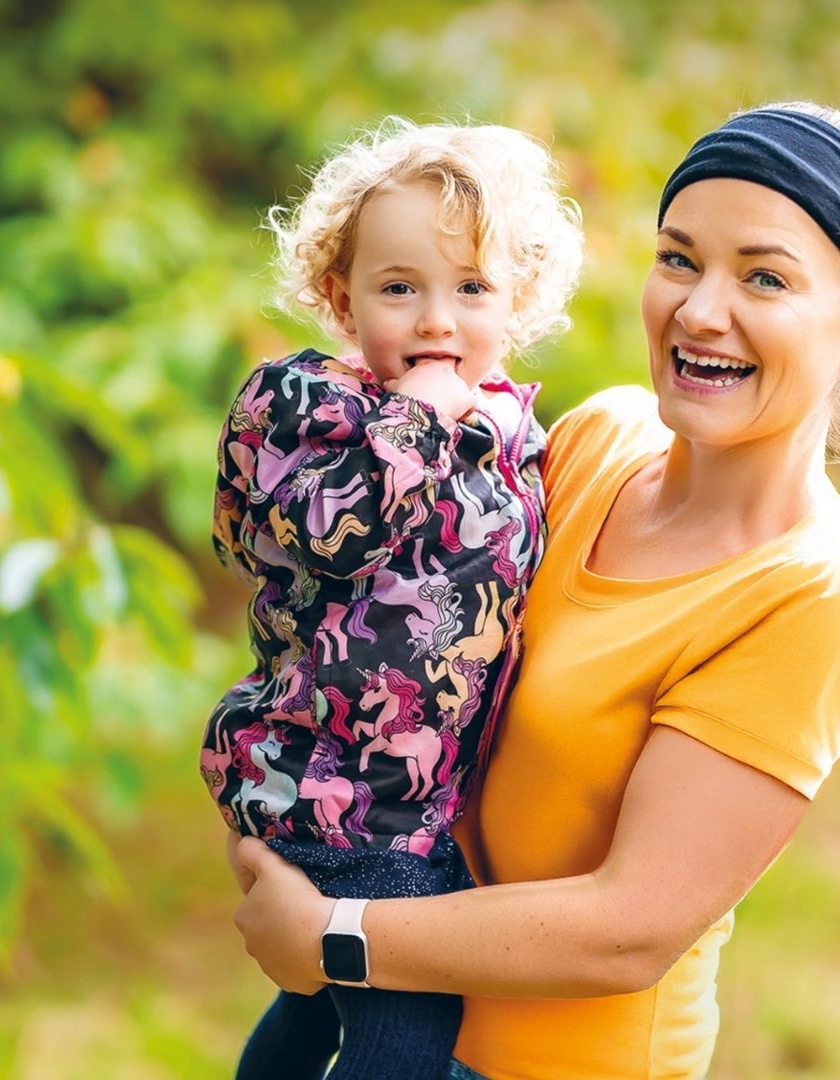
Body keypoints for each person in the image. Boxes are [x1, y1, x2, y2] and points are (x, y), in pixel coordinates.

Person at [228, 102, 840, 1079]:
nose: (698, 310)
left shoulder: (813, 596)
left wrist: (326, 938)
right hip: (382, 1007)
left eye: (764, 277)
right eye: (680, 258)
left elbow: (627, 929)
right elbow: (389, 602)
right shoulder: (598, 437)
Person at [202, 120, 583, 1079]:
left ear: (518, 302)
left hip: (412, 800)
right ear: (341, 297)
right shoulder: (312, 409)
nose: (434, 322)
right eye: (399, 288)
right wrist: (412, 421)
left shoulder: (508, 436)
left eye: (471, 289)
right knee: (407, 1030)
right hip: (330, 786)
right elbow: (324, 536)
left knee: (314, 1009)